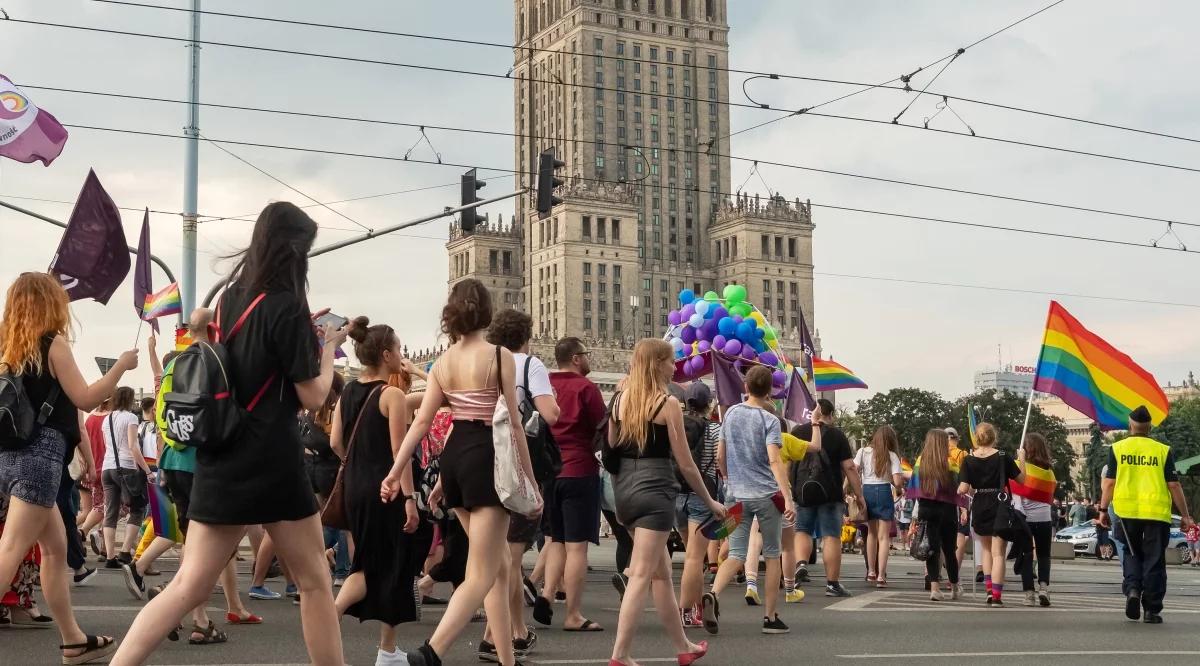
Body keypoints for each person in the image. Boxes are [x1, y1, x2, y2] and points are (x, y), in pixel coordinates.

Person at [114, 201, 349, 664]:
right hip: (274, 461)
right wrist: (328, 347)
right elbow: (314, 396)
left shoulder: (231, 297)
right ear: (295, 251)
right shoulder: (288, 308)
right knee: (315, 583)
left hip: (223, 456)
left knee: (187, 585)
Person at [381, 278, 540, 666]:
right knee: (484, 572)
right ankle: (431, 652)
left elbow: (422, 423)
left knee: (500, 567)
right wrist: (531, 483)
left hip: (455, 459)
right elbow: (514, 425)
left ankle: (506, 659)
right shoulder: (499, 355)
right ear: (486, 311)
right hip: (487, 457)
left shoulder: (444, 362)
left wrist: (396, 470)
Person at [0, 271, 139, 663]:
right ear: (51, 303)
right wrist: (122, 367)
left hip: (9, 456)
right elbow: (86, 396)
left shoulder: (7, 346)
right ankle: (73, 639)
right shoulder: (52, 344)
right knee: (11, 549)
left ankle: (73, 639)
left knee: (55, 551)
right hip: (41, 457)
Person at [606, 339, 723, 666]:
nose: (675, 367)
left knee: (660, 576)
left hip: (625, 491)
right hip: (655, 490)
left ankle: (683, 647)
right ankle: (620, 655)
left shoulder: (617, 401)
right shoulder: (666, 404)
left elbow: (611, 453)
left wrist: (619, 502)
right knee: (642, 575)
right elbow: (686, 464)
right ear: (657, 364)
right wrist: (711, 501)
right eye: (671, 362)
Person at [332, 317, 428, 666]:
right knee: (378, 567)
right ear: (387, 355)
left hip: (357, 486)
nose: (402, 354)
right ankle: (331, 617)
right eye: (399, 349)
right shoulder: (392, 395)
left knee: (383, 565)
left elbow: (335, 441)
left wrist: (356, 464)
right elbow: (398, 452)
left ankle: (389, 650)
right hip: (385, 490)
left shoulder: (348, 390)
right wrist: (409, 500)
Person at [704, 366, 814, 636]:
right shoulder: (770, 420)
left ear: (746, 386)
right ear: (770, 391)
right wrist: (787, 497)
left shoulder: (730, 414)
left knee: (737, 553)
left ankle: (714, 594)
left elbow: (720, 455)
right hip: (766, 495)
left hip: (736, 495)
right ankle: (770, 617)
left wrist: (730, 479)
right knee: (773, 554)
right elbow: (775, 460)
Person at [479, 308, 560, 661]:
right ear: (526, 335)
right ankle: (499, 637)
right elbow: (550, 413)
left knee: (501, 556)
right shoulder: (529, 365)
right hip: (514, 465)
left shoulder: (482, 361)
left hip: (481, 462)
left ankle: (512, 633)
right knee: (510, 558)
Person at [1099, 405, 1196, 624]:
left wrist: (1103, 510)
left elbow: (1110, 483)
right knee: (1154, 560)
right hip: (1156, 513)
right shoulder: (1162, 450)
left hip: (1126, 513)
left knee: (1131, 553)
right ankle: (1152, 610)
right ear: (1150, 427)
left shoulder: (1117, 448)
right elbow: (1174, 485)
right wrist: (1186, 516)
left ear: (1130, 425)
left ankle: (1133, 589)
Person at [536, 336, 606, 631]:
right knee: (577, 547)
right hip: (579, 469)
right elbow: (602, 427)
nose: (589, 359)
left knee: (556, 540)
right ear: (577, 358)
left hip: (550, 472)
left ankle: (547, 594)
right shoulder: (586, 388)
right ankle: (573, 614)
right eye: (586, 354)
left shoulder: (545, 385)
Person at [790, 399, 865, 597]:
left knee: (802, 530)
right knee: (831, 535)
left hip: (802, 492)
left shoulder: (797, 431)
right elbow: (849, 467)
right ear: (830, 415)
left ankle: (801, 564)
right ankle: (832, 584)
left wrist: (789, 488)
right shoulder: (837, 435)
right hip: (830, 493)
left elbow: (788, 462)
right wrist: (859, 495)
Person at [957, 422, 1026, 607]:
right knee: (998, 553)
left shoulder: (968, 460)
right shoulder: (1003, 456)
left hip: (980, 504)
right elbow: (1021, 480)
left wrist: (966, 485)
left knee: (986, 550)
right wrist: (1022, 459)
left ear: (977, 438)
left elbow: (964, 489)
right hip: (999, 503)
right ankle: (996, 595)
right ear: (994, 437)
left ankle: (989, 591)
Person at [677, 382, 720, 629]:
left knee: (691, 553)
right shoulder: (714, 429)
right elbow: (720, 460)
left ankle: (697, 607)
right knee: (695, 557)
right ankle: (685, 610)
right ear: (709, 403)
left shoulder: (676, 423)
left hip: (676, 495)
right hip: (702, 495)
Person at [909, 429, 963, 601]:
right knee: (949, 551)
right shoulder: (950, 462)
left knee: (931, 549)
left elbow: (914, 485)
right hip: (946, 510)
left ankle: (934, 589)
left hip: (925, 508)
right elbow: (957, 488)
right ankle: (954, 587)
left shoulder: (920, 462)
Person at [100, 386, 150, 567]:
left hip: (107, 468)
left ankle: (110, 557)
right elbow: (133, 446)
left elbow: (107, 445)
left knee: (110, 511)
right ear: (130, 400)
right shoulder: (130, 417)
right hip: (126, 467)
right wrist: (147, 470)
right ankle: (125, 552)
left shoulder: (107, 419)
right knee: (137, 509)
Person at [854, 425, 903, 587]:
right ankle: (881, 575)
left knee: (871, 535)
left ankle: (871, 572)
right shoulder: (892, 456)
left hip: (866, 490)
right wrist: (899, 489)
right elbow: (897, 482)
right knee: (883, 538)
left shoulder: (863, 452)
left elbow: (853, 470)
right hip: (883, 491)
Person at [1012, 432, 1056, 607]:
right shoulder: (1049, 473)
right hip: (1044, 519)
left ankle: (1029, 593)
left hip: (1025, 520)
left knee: (1026, 555)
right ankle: (1044, 587)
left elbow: (1015, 494)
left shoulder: (1020, 468)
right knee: (1044, 555)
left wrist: (1019, 460)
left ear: (1026, 450)